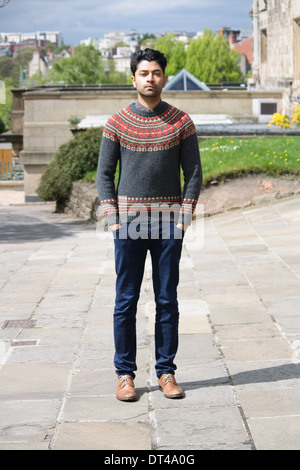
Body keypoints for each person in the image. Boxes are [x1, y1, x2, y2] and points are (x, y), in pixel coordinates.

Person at [96, 48, 202, 402]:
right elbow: (104, 175)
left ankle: (166, 372)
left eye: (156, 72)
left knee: (167, 300)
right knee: (125, 300)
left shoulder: (181, 122)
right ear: (134, 78)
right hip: (128, 223)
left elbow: (194, 174)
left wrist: (184, 217)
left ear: (164, 77)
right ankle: (125, 375)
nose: (150, 78)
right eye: (144, 73)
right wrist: (112, 218)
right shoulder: (117, 122)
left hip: (169, 224)